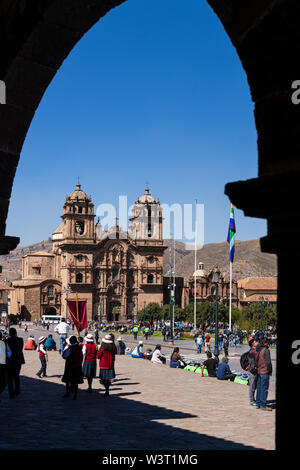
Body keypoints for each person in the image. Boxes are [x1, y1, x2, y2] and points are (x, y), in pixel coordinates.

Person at [62, 336, 84, 400]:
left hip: (70, 366)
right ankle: (75, 394)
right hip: (78, 366)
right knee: (75, 381)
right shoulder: (79, 348)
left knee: (68, 380)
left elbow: (65, 356)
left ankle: (68, 392)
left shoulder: (70, 348)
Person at [6, 328, 25, 398]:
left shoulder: (7, 341)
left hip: (10, 360)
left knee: (10, 378)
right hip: (18, 360)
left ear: (9, 333)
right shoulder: (20, 340)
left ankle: (11, 393)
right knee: (17, 376)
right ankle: (17, 391)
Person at [255, 337, 272, 411]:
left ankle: (258, 403)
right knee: (264, 388)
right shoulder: (266, 350)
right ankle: (263, 405)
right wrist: (270, 371)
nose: (268, 343)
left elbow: (255, 361)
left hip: (259, 371)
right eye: (267, 342)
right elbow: (268, 362)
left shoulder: (258, 350)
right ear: (265, 343)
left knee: (259, 388)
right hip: (264, 371)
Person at [247, 338, 259, 406]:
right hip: (252, 371)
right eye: (255, 342)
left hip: (254, 371)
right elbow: (252, 363)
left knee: (254, 386)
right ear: (253, 344)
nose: (257, 342)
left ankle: (253, 399)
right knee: (252, 386)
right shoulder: (252, 352)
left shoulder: (254, 351)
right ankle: (251, 400)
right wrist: (253, 372)